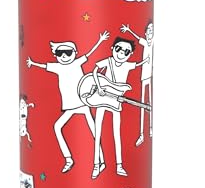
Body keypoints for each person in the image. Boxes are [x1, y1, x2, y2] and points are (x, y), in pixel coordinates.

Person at [26, 31, 109, 173]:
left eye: (68, 52)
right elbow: (44, 66)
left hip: (82, 103)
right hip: (71, 105)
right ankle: (69, 159)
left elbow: (89, 53)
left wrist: (100, 40)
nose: (64, 56)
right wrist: (32, 63)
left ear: (74, 53)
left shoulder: (77, 63)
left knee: (94, 131)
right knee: (58, 127)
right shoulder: (58, 67)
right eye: (60, 53)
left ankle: (100, 160)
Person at [91, 37, 150, 179]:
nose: (121, 53)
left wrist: (147, 58)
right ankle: (96, 164)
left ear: (130, 54)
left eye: (126, 51)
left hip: (116, 100)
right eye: (118, 49)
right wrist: (99, 87)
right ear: (112, 49)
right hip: (102, 99)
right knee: (98, 132)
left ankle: (119, 165)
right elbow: (94, 71)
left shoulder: (127, 65)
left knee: (116, 133)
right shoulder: (108, 61)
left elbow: (139, 64)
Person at [121, 21, 154, 146]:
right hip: (143, 76)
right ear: (145, 33)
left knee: (150, 103)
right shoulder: (145, 43)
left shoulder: (152, 43)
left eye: (152, 30)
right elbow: (137, 37)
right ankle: (141, 133)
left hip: (150, 75)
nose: (150, 33)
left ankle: (150, 129)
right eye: (148, 31)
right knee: (142, 104)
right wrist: (128, 30)